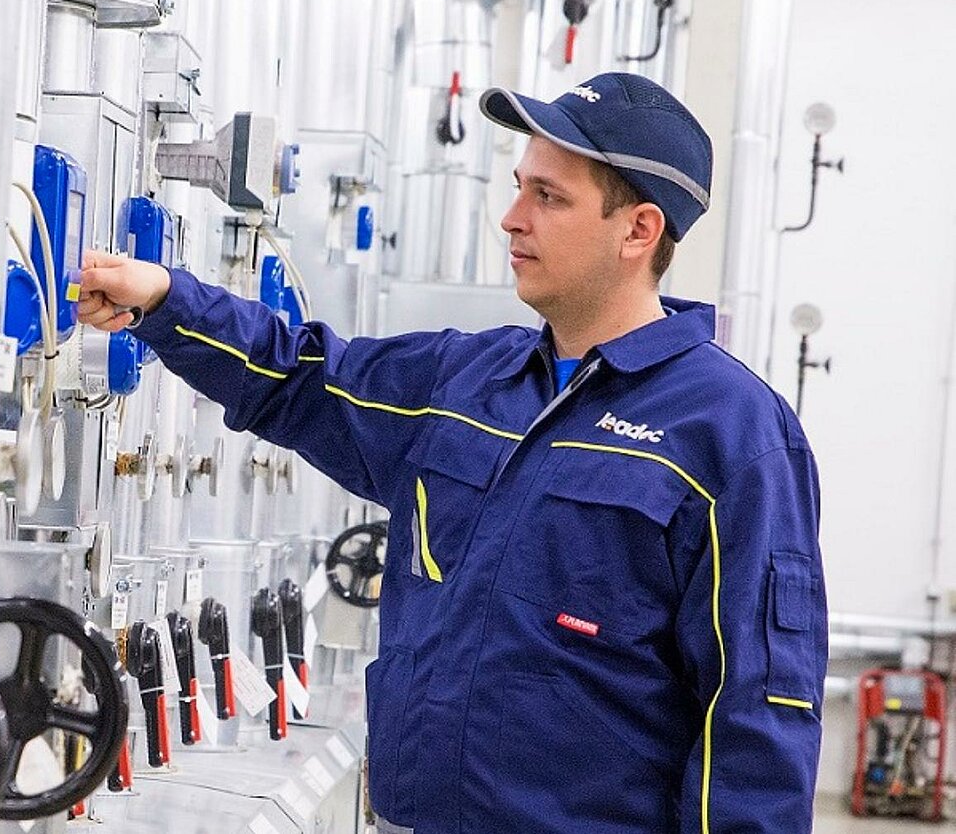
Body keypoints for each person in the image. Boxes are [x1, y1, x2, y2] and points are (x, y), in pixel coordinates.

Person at [77, 72, 826, 833]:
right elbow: (299, 379)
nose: (511, 219)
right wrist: (167, 301)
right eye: (518, 188)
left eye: (549, 197)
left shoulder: (734, 435)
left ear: (638, 231)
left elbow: (759, 713)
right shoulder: (465, 382)